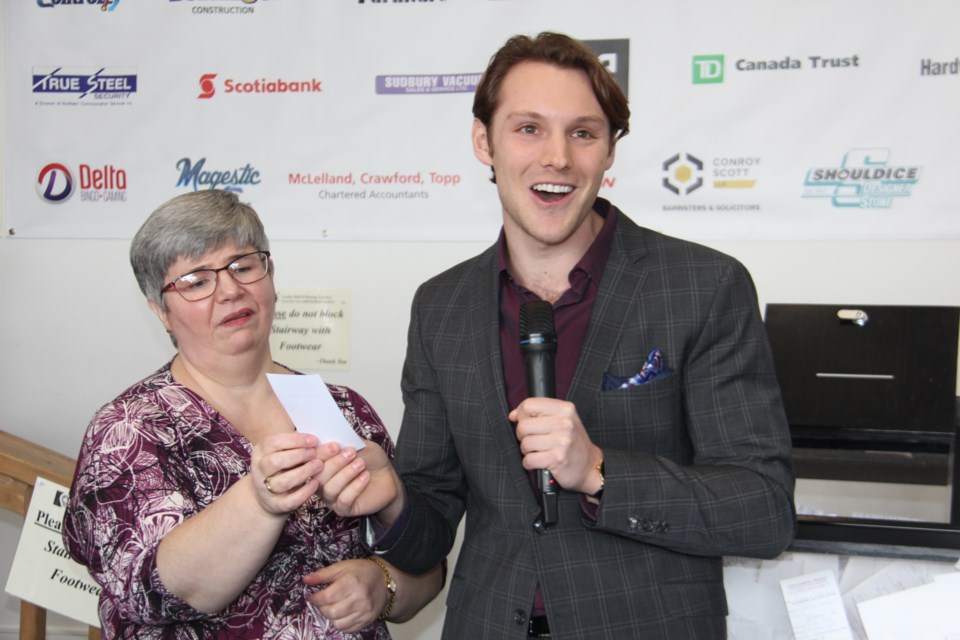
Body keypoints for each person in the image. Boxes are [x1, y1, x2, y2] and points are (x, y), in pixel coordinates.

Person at [316, 31, 796, 640]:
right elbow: (430, 527)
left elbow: (763, 511)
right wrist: (391, 498)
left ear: (610, 151)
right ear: (482, 141)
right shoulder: (441, 306)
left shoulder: (703, 286)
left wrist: (598, 471)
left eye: (583, 133)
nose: (558, 159)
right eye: (528, 129)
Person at [62, 190, 443, 639]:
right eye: (196, 281)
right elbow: (159, 590)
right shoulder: (130, 429)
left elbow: (428, 568)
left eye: (244, 266)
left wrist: (384, 585)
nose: (229, 290)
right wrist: (259, 501)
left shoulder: (345, 409)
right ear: (161, 312)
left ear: (271, 278)